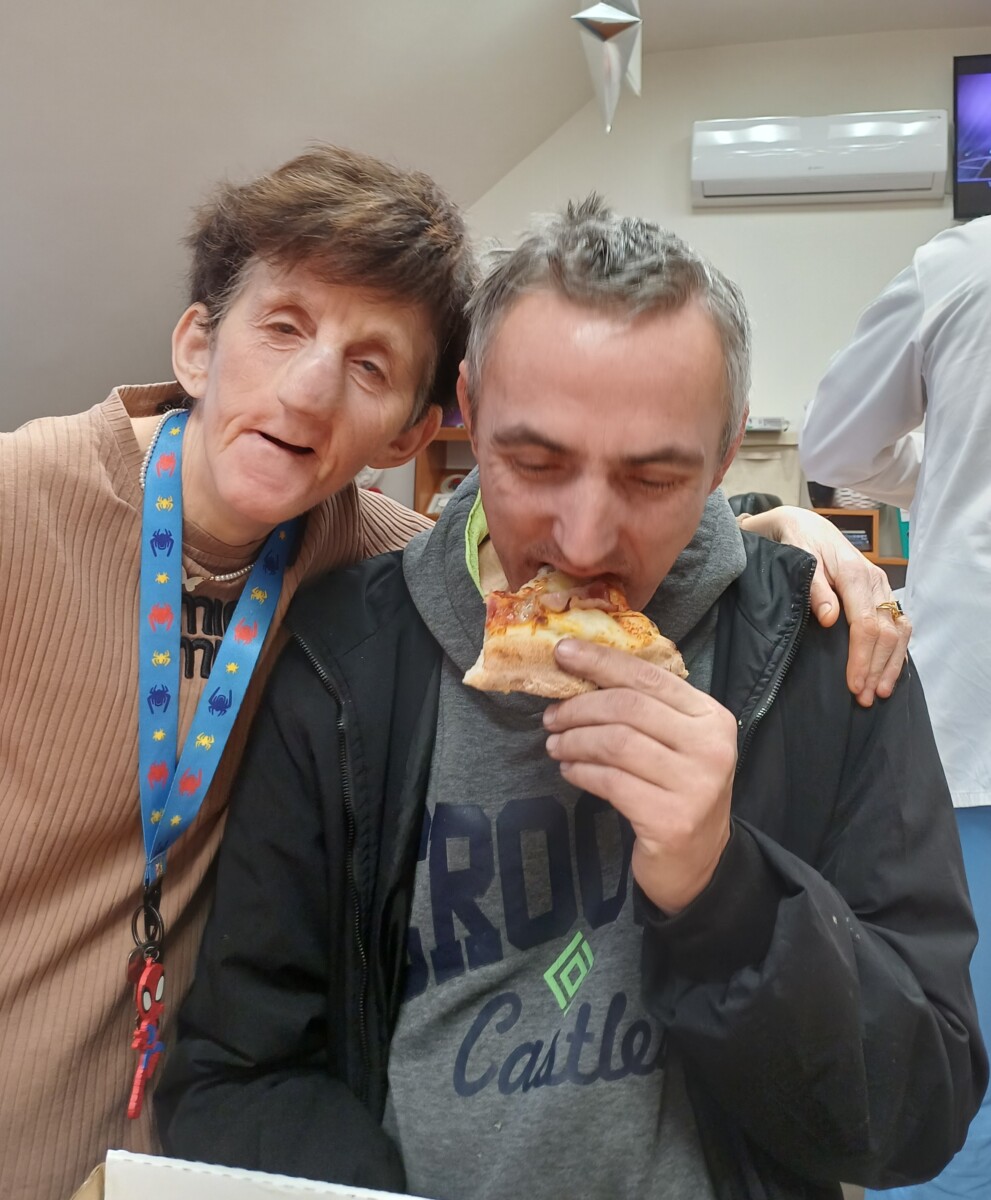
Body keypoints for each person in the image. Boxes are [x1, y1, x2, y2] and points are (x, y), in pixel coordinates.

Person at [157, 198, 986, 1200]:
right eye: (533, 463)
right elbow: (239, 1075)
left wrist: (723, 890)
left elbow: (918, 1115)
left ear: (724, 456)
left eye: (652, 480)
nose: (584, 542)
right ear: (468, 411)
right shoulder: (346, 656)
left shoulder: (827, 651)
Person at [0, 143, 476, 1200]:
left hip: (176, 1159)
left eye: (369, 366)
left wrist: (785, 539)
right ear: (197, 346)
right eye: (283, 327)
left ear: (409, 433)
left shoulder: (388, 578)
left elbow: (564, 551)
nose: (307, 392)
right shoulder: (17, 500)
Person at [800, 216, 991, 1200]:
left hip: (971, 724)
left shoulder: (965, 265)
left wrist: (947, 469)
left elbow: (834, 442)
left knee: (945, 1074)